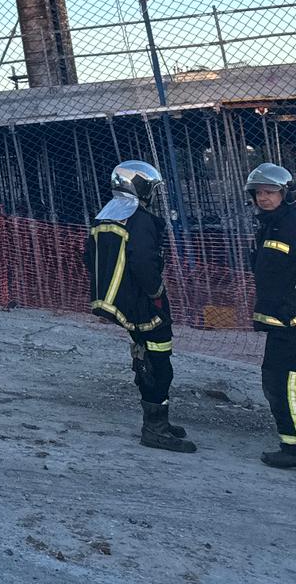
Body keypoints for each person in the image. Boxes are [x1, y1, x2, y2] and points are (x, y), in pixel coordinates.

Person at [85, 160, 195, 452]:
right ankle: (155, 428)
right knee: (160, 364)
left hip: (120, 303)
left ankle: (158, 421)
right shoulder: (141, 220)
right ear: (142, 187)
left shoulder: (103, 217)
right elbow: (144, 262)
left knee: (144, 357)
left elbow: (89, 259)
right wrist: (156, 293)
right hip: (144, 305)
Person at [247, 162, 296, 469]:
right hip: (280, 319)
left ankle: (292, 448)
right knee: (279, 380)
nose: (263, 198)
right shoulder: (271, 223)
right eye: (259, 193)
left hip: (290, 322)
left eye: (270, 192)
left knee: (282, 382)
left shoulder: (291, 223)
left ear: (285, 193)